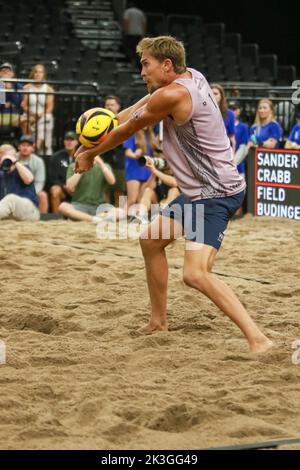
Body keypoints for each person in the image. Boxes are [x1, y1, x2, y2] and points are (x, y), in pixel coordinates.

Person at [75, 35, 273, 353]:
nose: (141, 71)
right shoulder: (189, 75)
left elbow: (128, 129)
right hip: (197, 192)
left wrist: (87, 154)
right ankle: (158, 322)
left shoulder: (174, 95)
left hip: (216, 193)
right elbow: (130, 113)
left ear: (167, 65)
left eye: (145, 64)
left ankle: (258, 339)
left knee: (195, 275)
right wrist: (91, 141)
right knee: (151, 240)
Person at [58, 155, 115, 223]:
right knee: (63, 206)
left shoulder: (105, 166)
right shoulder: (73, 166)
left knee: (120, 212)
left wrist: (101, 163)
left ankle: (87, 218)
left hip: (99, 207)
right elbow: (69, 186)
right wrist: (82, 168)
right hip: (79, 205)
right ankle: (94, 219)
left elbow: (112, 181)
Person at [21, 64, 54, 155]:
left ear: (44, 74)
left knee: (45, 120)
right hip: (30, 114)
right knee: (24, 121)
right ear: (33, 74)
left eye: (40, 72)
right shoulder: (27, 87)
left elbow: (50, 108)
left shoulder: (49, 89)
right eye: (36, 72)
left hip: (43, 115)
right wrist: (32, 113)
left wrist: (40, 115)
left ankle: (35, 148)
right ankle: (27, 144)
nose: (38, 74)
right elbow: (24, 105)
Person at [0, 144, 39, 222]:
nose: (7, 160)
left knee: (11, 198)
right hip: (10, 215)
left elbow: (29, 179)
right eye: (4, 158)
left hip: (29, 212)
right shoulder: (1, 174)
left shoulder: (23, 168)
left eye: (10, 157)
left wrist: (15, 163)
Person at [102, 95, 126, 206]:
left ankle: (120, 215)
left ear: (118, 107)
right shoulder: (99, 122)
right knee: (105, 190)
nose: (109, 107)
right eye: (107, 105)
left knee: (120, 191)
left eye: (112, 105)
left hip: (120, 159)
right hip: (105, 158)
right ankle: (105, 214)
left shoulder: (124, 120)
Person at [16, 135, 48, 213]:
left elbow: (40, 182)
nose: (25, 148)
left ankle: (42, 220)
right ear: (18, 147)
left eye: (28, 145)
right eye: (23, 145)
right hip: (15, 188)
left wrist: (30, 194)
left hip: (32, 191)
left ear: (33, 148)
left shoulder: (38, 161)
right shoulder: (12, 157)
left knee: (42, 195)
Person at [48, 131, 78, 213]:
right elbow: (53, 178)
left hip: (78, 188)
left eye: (72, 140)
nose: (69, 142)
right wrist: (65, 186)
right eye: (67, 140)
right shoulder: (56, 157)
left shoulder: (81, 156)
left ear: (76, 142)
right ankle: (57, 218)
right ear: (64, 142)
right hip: (63, 188)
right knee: (55, 190)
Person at [211, 83, 236, 153]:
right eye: (210, 93)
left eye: (215, 94)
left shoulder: (230, 114)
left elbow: (232, 138)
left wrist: (233, 154)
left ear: (221, 96)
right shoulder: (201, 112)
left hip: (224, 151)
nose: (213, 95)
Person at [122, 1, 147, 66]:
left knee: (129, 48)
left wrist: (125, 31)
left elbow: (126, 21)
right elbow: (143, 23)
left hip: (130, 33)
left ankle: (130, 62)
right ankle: (137, 63)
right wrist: (143, 34)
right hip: (138, 33)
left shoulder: (127, 11)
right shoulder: (140, 12)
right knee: (137, 50)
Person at [0, 62, 23, 129]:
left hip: (15, 114)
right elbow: (1, 104)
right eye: (3, 70)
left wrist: (10, 87)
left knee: (25, 122)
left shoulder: (18, 85)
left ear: (12, 74)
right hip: (1, 114)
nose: (5, 72)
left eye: (8, 70)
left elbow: (18, 102)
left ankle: (24, 139)